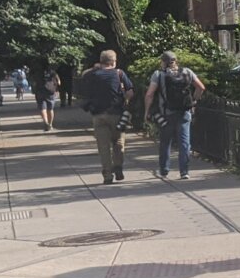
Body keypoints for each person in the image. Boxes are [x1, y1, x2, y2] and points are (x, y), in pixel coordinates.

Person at [143, 51, 206, 179]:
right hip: (184, 113)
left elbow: (149, 94)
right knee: (184, 143)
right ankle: (184, 171)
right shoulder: (187, 72)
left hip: (166, 114)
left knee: (165, 142)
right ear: (176, 61)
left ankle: (164, 170)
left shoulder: (158, 75)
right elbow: (201, 87)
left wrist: (147, 111)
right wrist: (194, 101)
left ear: (163, 62)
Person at [77, 50, 135, 184]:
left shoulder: (93, 74)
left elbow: (83, 75)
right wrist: (125, 99)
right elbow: (130, 92)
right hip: (117, 114)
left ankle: (107, 175)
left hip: (98, 115)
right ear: (114, 61)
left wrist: (94, 68)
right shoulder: (119, 73)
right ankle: (118, 166)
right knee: (118, 142)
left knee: (103, 147)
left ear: (101, 61)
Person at [33, 67, 60, 131]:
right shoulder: (53, 72)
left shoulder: (37, 72)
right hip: (50, 93)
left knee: (43, 108)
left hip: (40, 91)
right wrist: (56, 88)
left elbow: (34, 83)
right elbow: (59, 82)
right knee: (50, 109)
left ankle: (46, 122)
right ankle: (50, 124)